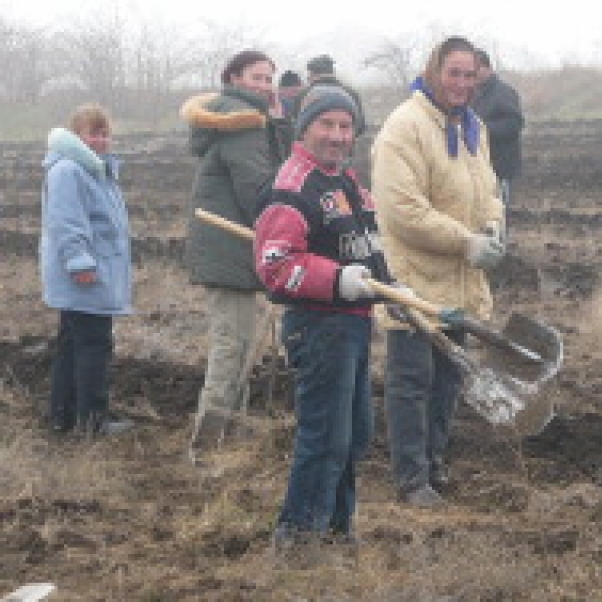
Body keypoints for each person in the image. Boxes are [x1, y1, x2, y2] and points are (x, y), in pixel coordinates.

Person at [253, 82, 394, 547]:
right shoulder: (293, 187)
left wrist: (390, 285)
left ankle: (337, 530)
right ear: (305, 127)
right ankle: (298, 536)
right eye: (326, 124)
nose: (336, 135)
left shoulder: (347, 183)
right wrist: (337, 280)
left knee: (353, 435)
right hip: (317, 327)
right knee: (326, 436)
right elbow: (276, 266)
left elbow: (366, 248)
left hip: (352, 324)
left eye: (345, 126)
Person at [371, 36, 506, 506]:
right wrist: (465, 241)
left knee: (449, 376)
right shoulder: (404, 127)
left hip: (461, 278)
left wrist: (491, 226)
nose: (462, 84)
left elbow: (487, 189)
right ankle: (411, 479)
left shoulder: (473, 128)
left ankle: (434, 463)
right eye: (454, 73)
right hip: (414, 278)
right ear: (433, 72)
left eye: (470, 75)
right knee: (412, 380)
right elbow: (402, 209)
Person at [179, 50, 292, 460]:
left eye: (269, 79)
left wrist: (279, 121)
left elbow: (277, 165)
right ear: (233, 79)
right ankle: (207, 448)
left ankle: (230, 437)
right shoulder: (242, 124)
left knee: (240, 345)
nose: (265, 86)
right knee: (232, 348)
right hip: (230, 248)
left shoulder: (244, 120)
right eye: (257, 78)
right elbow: (259, 191)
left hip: (233, 248)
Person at [40, 103, 135, 438]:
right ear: (76, 136)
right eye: (93, 134)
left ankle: (63, 416)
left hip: (95, 271)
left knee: (72, 343)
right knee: (94, 344)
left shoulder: (95, 169)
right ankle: (93, 422)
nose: (101, 141)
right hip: (87, 275)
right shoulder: (70, 170)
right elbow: (66, 222)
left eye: (105, 134)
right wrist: (79, 263)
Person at [471, 48, 524, 209]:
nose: (472, 75)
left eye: (475, 70)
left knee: (498, 213)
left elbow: (514, 124)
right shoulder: (471, 93)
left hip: (500, 167)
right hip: (478, 168)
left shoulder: (504, 93)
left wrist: (481, 129)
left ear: (487, 68)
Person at [298, 54, 366, 137]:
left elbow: (297, 125)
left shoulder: (305, 94)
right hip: (344, 147)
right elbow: (360, 126)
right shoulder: (351, 94)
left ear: (312, 74)